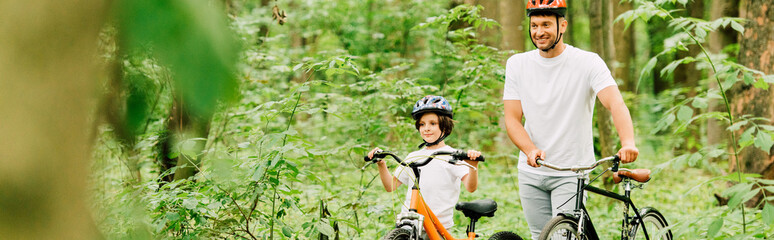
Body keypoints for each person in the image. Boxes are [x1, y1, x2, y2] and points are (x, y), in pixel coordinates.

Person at [502, 0, 639, 239]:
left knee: (561, 237)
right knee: (539, 235)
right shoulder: (517, 64)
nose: (539, 32)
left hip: (571, 172)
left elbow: (615, 104)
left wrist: (627, 142)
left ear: (562, 25)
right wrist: (530, 149)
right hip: (531, 171)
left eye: (546, 24)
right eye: (534, 25)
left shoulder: (587, 62)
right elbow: (512, 119)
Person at [367, 95, 482, 233]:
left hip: (438, 226)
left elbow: (470, 187)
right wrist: (381, 164)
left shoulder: (453, 155)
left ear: (445, 126)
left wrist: (473, 165)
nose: (426, 128)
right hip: (409, 223)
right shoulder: (413, 156)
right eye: (422, 124)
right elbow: (390, 186)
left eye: (433, 124)